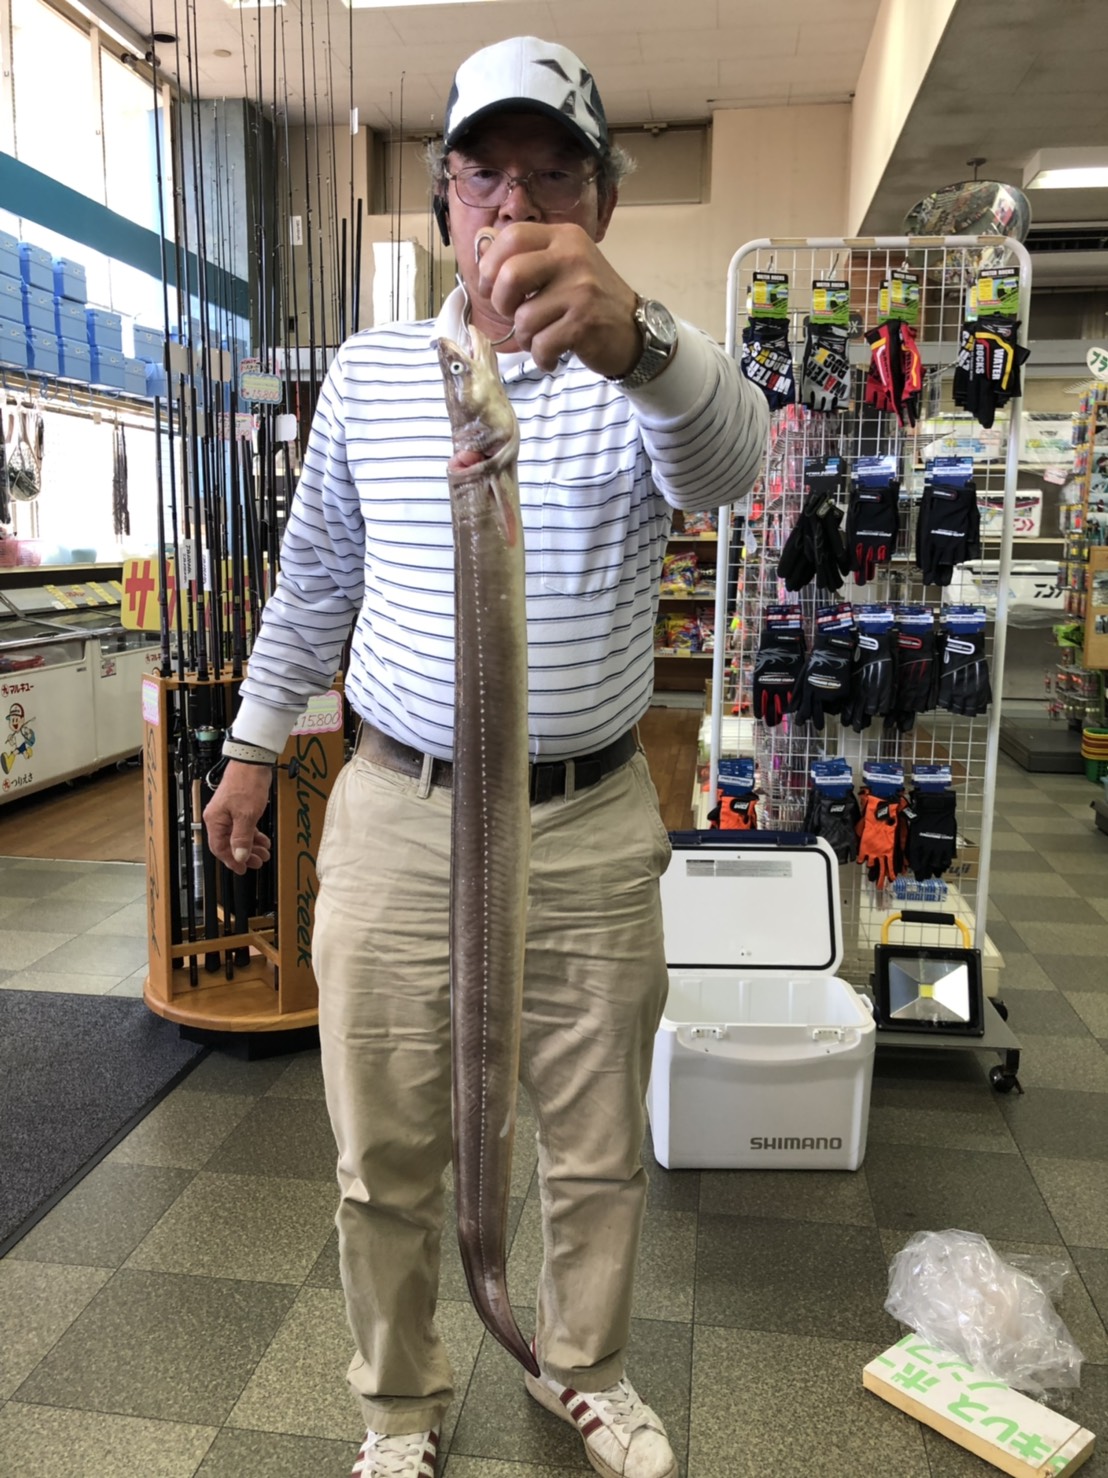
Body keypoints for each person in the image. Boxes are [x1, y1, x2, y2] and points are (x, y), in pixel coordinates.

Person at [204, 34, 767, 1478]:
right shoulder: (373, 373)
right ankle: (398, 1405)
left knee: (594, 1141)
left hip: (585, 820)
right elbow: (316, 580)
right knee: (383, 1149)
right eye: (483, 175)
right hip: (398, 809)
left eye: (552, 175)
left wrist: (641, 342)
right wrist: (254, 747)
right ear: (446, 200)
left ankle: (583, 1369)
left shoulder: (647, 367)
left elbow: (737, 469)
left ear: (602, 200)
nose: (516, 205)